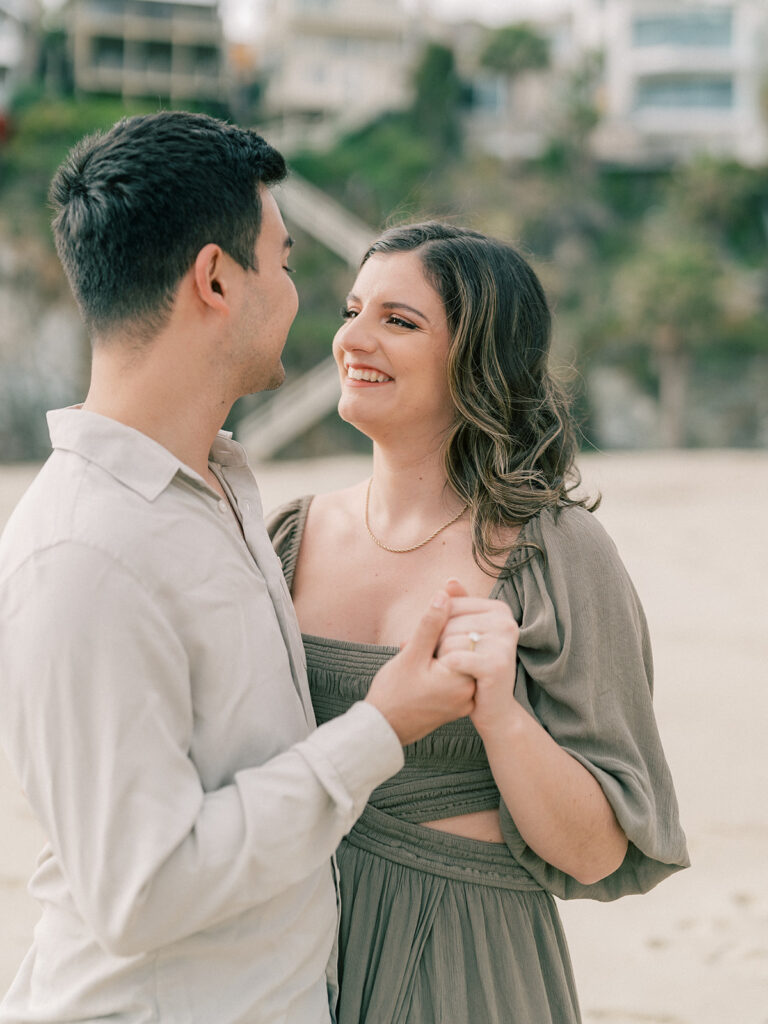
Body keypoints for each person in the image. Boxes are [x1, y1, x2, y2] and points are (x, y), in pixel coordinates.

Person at [0, 116, 477, 1024]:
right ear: (217, 279)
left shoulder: (213, 486)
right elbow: (143, 892)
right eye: (285, 262)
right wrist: (384, 724)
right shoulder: (84, 553)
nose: (300, 295)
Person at [268, 221, 690, 1024]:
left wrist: (499, 716)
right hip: (287, 963)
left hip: (468, 966)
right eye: (353, 309)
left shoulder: (556, 553)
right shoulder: (286, 538)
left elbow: (598, 855)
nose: (352, 338)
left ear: (478, 358)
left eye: (398, 320)